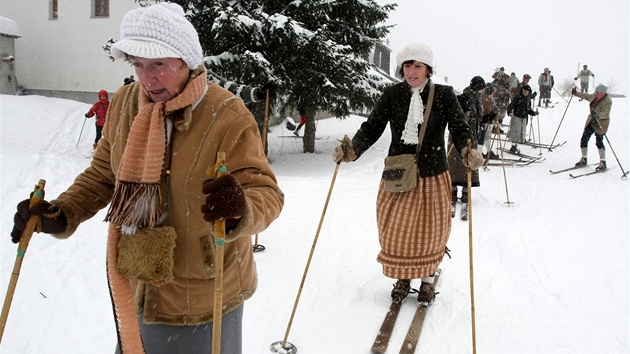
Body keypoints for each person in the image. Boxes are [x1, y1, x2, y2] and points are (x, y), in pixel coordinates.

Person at [10, 3, 284, 354]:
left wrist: (240, 209)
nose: (147, 78)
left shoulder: (226, 114)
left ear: (186, 61)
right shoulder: (127, 103)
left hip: (204, 289)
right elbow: (104, 173)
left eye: (158, 64)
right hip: (136, 278)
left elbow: (266, 191)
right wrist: (62, 212)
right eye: (137, 64)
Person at [332, 43, 483, 306]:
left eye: (418, 66)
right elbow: (372, 127)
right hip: (399, 174)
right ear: (401, 68)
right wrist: (352, 149)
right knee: (395, 230)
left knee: (430, 231)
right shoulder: (393, 94)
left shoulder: (444, 95)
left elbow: (460, 128)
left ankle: (426, 280)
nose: (412, 71)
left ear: (428, 69)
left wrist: (468, 150)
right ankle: (403, 278)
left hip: (433, 175)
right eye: (407, 65)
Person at [449, 75, 486, 220]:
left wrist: (489, 117)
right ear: (477, 87)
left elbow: (478, 117)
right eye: (481, 87)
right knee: (457, 162)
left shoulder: (476, 99)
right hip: (459, 137)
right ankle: (453, 191)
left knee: (468, 162)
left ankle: (465, 192)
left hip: (472, 136)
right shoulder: (464, 98)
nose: (483, 90)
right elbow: (457, 117)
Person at [571, 84, 612, 171]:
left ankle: (603, 162)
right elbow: (586, 96)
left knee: (599, 141)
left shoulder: (608, 101)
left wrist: (597, 115)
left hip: (601, 123)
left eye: (599, 93)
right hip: (592, 121)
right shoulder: (595, 96)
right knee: (584, 139)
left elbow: (606, 113)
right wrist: (576, 93)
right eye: (596, 92)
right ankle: (584, 159)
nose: (597, 94)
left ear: (603, 93)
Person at [506, 84, 539, 154]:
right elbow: (511, 105)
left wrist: (534, 113)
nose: (526, 92)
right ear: (522, 91)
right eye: (525, 91)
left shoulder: (528, 99)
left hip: (523, 118)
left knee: (521, 132)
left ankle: (516, 146)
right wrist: (509, 112)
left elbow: (528, 109)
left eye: (527, 91)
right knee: (515, 132)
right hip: (516, 117)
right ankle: (513, 146)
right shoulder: (518, 97)